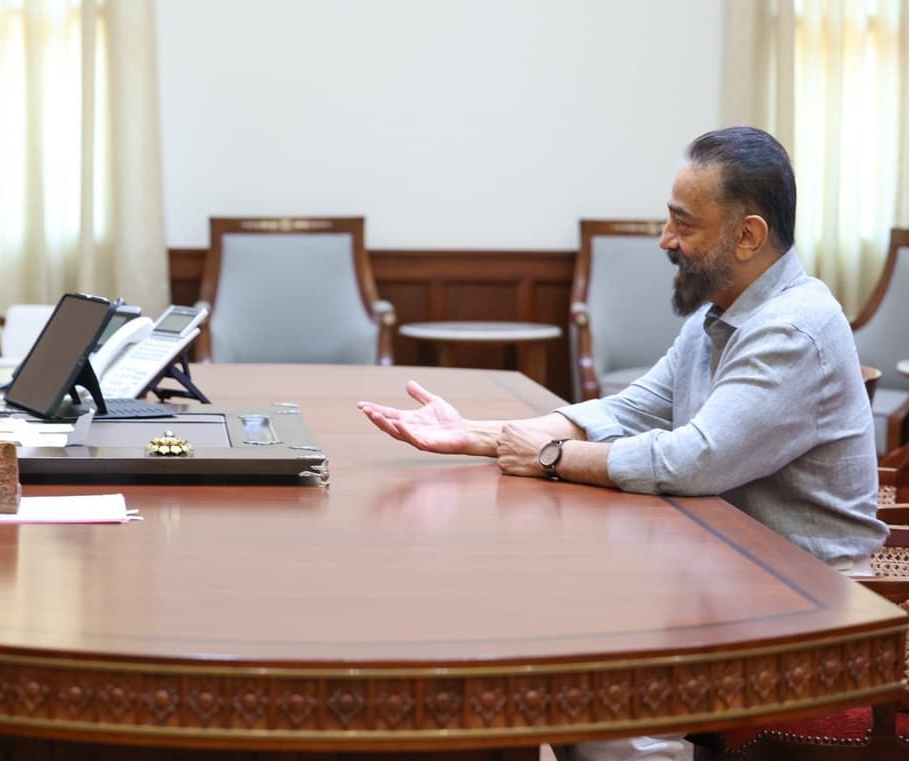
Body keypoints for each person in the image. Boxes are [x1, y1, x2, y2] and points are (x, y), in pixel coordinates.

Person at [358, 126, 886, 761]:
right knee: (553, 656)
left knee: (570, 680)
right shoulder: (721, 310)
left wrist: (549, 458)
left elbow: (696, 461)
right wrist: (478, 436)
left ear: (747, 236)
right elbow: (634, 408)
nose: (665, 241)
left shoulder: (792, 329)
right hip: (729, 578)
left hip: (805, 614)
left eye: (683, 225)